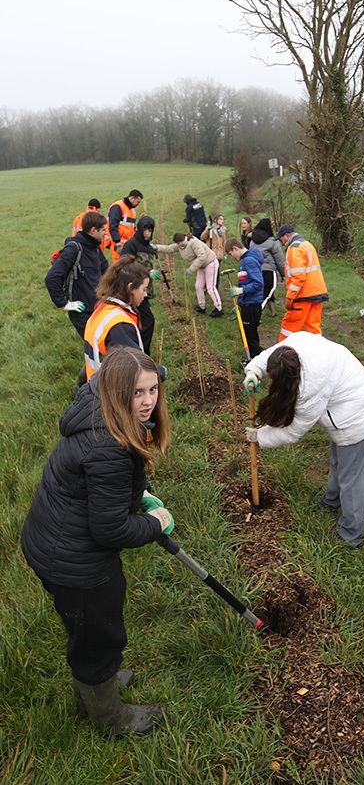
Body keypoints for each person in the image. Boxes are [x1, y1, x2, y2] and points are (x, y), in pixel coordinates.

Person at [21, 347, 172, 735]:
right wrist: (155, 523)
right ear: (118, 390)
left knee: (86, 631)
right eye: (137, 393)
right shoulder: (107, 444)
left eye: (152, 389)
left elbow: (96, 487)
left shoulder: (98, 405)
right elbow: (111, 530)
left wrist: (137, 494)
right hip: (76, 562)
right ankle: (111, 718)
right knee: (100, 634)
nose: (148, 401)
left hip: (54, 541)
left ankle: (94, 687)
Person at [243, 333, 364, 548]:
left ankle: (352, 533)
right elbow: (269, 355)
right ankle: (331, 501)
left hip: (356, 414)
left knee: (352, 477)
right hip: (347, 397)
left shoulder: (311, 388)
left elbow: (292, 432)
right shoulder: (291, 348)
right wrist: (253, 371)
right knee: (339, 462)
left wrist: (259, 437)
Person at [83, 255, 150, 379]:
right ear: (130, 288)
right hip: (112, 391)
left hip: (97, 384)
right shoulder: (120, 326)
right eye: (144, 289)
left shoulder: (103, 308)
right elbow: (134, 369)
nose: (145, 294)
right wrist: (159, 372)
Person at [45, 211, 108, 339]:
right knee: (96, 345)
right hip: (82, 311)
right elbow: (52, 277)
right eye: (103, 230)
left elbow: (107, 270)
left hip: (98, 305)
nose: (106, 233)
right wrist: (64, 303)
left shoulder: (95, 247)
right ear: (93, 230)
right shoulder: (74, 249)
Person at [121, 215, 169, 355]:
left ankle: (136, 350)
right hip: (132, 291)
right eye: (145, 229)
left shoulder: (148, 247)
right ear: (139, 229)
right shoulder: (131, 245)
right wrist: (148, 272)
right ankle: (142, 353)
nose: (147, 233)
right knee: (148, 321)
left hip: (142, 293)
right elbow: (125, 266)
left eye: (150, 230)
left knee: (140, 321)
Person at [275, 224, 329, 341]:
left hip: (302, 295)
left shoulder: (294, 248)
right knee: (313, 330)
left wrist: (290, 297)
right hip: (317, 293)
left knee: (289, 329)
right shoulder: (307, 244)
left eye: (281, 239)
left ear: (287, 235)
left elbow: (299, 276)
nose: (282, 243)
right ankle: (316, 356)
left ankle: (282, 355)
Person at [163, 232, 223, 317]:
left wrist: (191, 269)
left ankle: (219, 308)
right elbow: (169, 248)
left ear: (183, 240)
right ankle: (202, 307)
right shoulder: (182, 245)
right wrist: (155, 248)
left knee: (210, 287)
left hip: (210, 263)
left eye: (179, 243)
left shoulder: (194, 243)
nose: (178, 245)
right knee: (198, 286)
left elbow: (202, 257)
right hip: (201, 266)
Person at [225, 237, 264, 359]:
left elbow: (258, 283)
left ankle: (258, 360)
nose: (232, 257)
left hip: (252, 305)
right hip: (247, 303)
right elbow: (246, 282)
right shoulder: (245, 262)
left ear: (235, 248)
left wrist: (241, 290)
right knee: (248, 335)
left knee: (251, 337)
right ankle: (255, 358)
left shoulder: (249, 261)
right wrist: (240, 303)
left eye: (231, 254)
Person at [250, 217, 285, 317]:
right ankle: (255, 314)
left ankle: (272, 312)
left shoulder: (252, 241)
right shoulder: (273, 241)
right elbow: (279, 259)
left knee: (262, 292)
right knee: (268, 291)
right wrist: (283, 273)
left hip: (255, 270)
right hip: (268, 271)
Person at [106, 190, 144, 262]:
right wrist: (117, 243)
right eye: (138, 202)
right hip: (118, 246)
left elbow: (132, 229)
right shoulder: (117, 207)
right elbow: (113, 226)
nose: (138, 204)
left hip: (128, 246)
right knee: (119, 268)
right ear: (132, 198)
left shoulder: (132, 211)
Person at [200, 214, 226, 286]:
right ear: (215, 220)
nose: (222, 221)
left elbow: (224, 243)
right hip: (210, 253)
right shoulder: (211, 229)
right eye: (220, 219)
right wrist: (207, 230)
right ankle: (206, 285)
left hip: (219, 255)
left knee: (216, 272)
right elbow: (203, 237)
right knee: (208, 270)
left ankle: (215, 286)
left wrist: (224, 254)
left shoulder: (223, 231)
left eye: (222, 219)